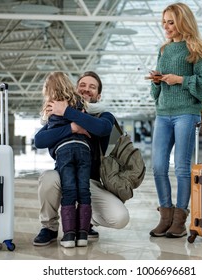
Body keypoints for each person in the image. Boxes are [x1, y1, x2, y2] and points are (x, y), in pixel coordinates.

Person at [33, 71, 130, 246]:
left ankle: (87, 221)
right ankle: (49, 227)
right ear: (75, 89)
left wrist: (68, 111)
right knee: (48, 178)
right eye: (83, 85)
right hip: (63, 176)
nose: (86, 89)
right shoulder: (59, 113)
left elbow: (102, 129)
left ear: (98, 95)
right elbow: (39, 140)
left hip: (90, 182)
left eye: (92, 87)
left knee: (120, 218)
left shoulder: (104, 115)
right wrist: (72, 127)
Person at [147, 3, 202, 238]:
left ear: (182, 22)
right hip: (163, 114)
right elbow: (155, 94)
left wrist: (181, 80)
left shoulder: (195, 48)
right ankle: (165, 216)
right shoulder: (164, 50)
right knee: (157, 166)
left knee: (182, 168)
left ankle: (179, 219)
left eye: (171, 22)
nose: (166, 27)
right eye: (164, 22)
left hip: (186, 113)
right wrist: (156, 81)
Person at [40, 72, 92, 248]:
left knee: (69, 190)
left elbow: (47, 134)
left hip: (64, 151)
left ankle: (69, 236)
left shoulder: (51, 107)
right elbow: (38, 140)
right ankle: (83, 235)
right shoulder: (78, 103)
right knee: (84, 190)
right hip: (84, 150)